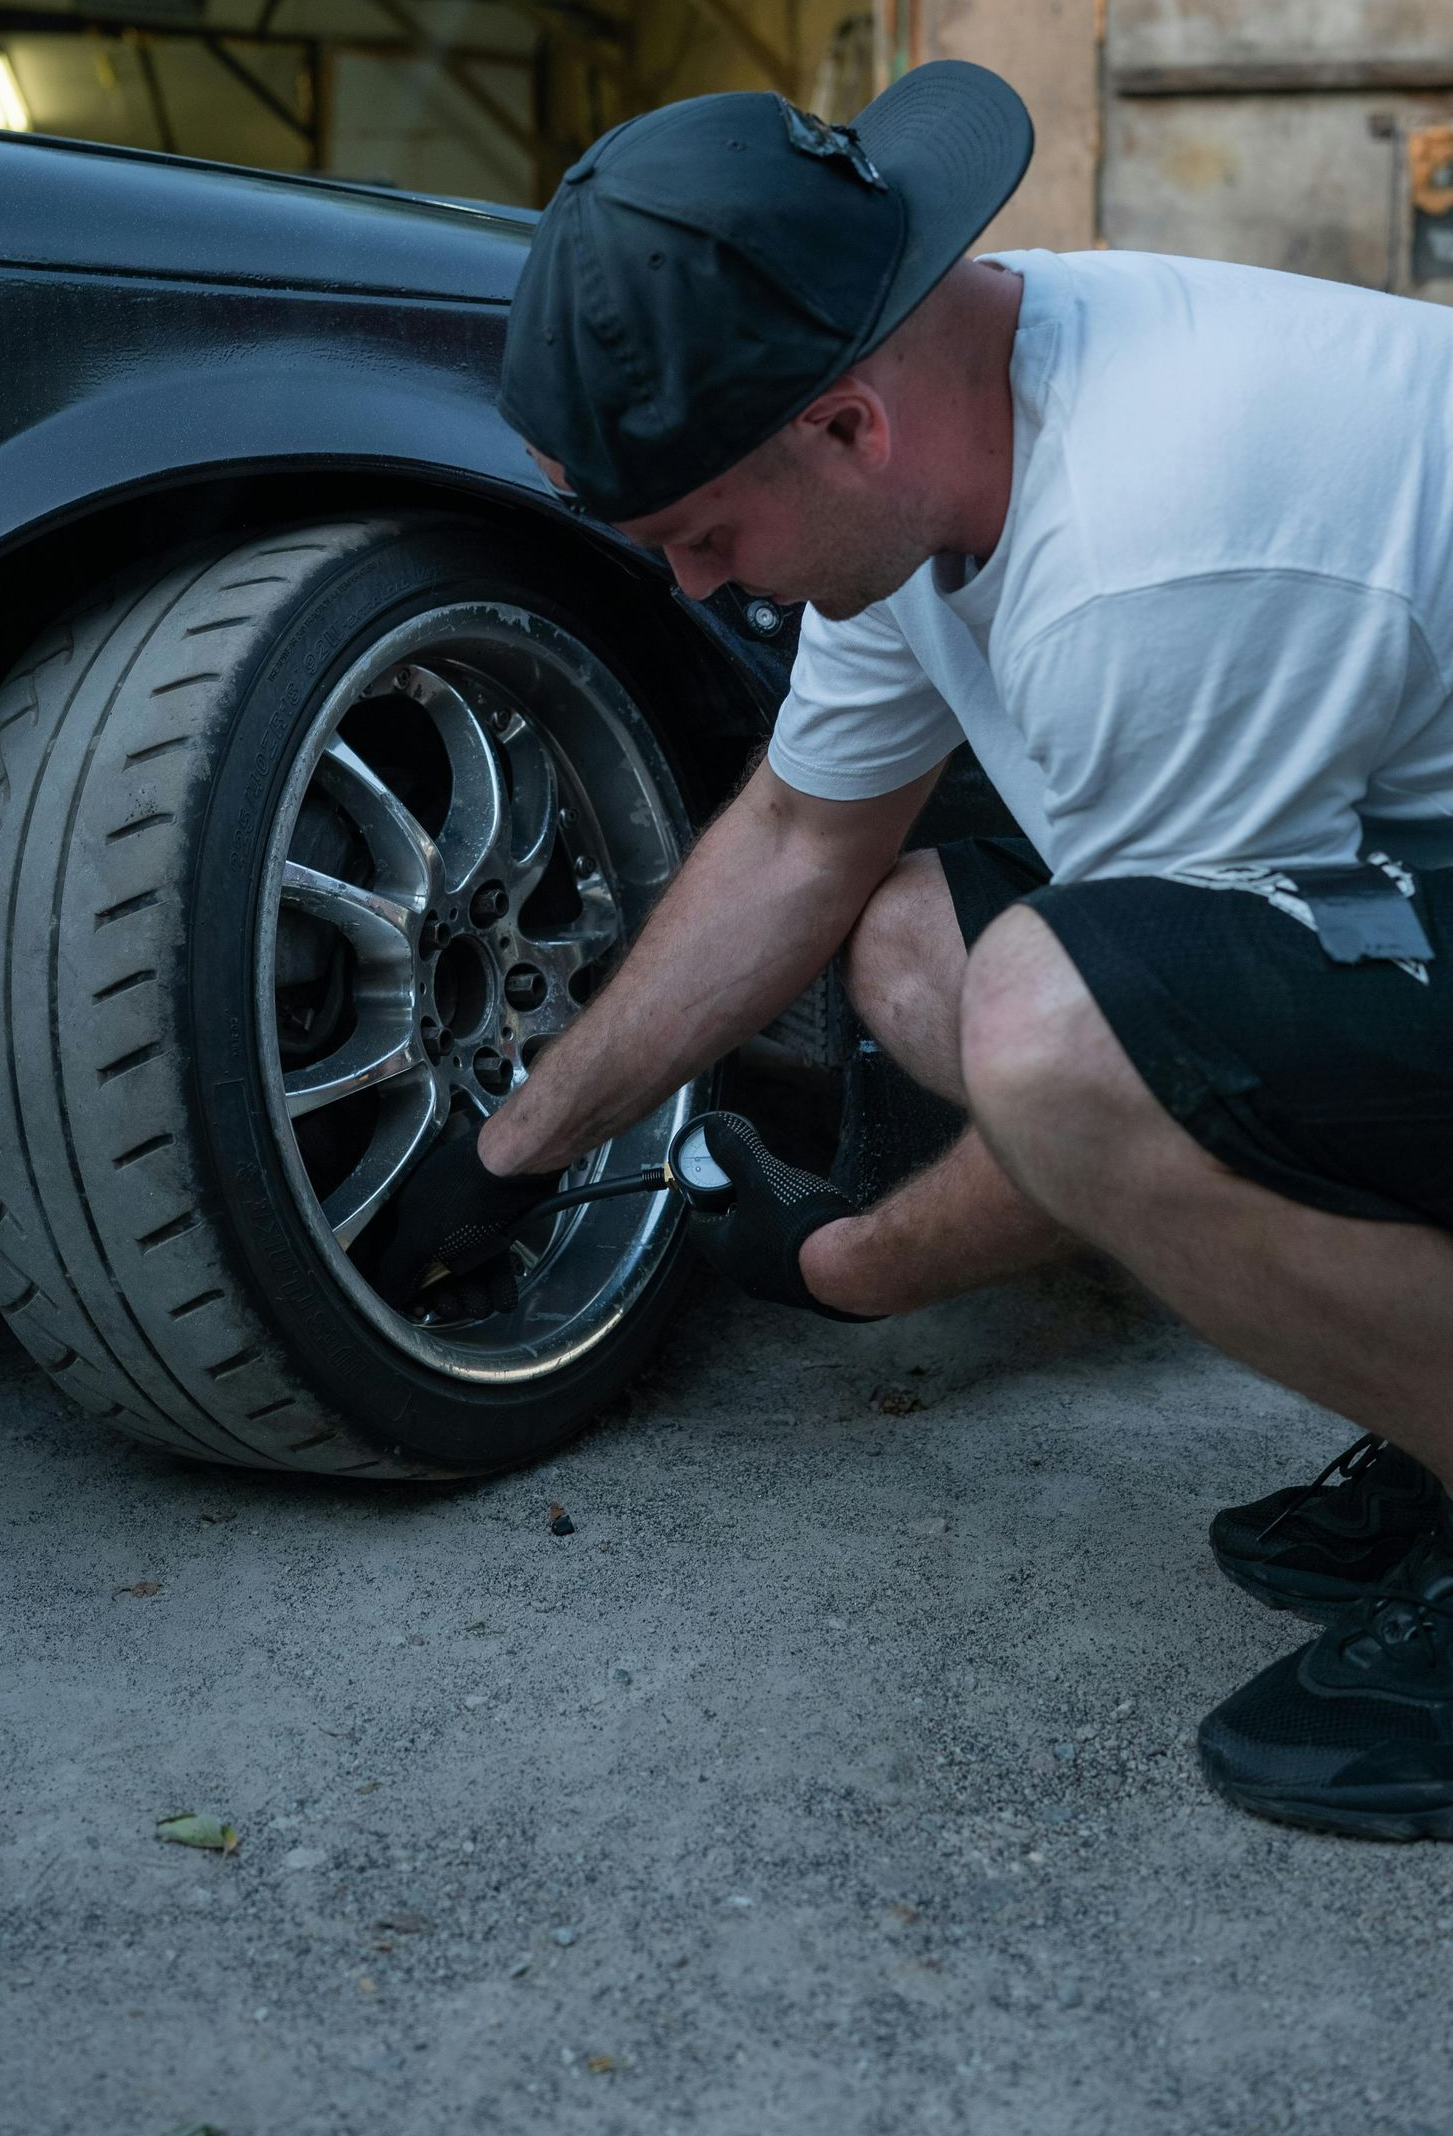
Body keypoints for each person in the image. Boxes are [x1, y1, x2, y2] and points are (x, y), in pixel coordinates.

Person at [376, 60, 1453, 1840]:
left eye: (707, 538)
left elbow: (1151, 1074)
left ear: (845, 427)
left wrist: (848, 1266)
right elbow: (802, 840)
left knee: (1049, 1030)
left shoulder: (1150, 563)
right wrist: (522, 1144)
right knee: (908, 935)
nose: (705, 590)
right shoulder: (939, 433)